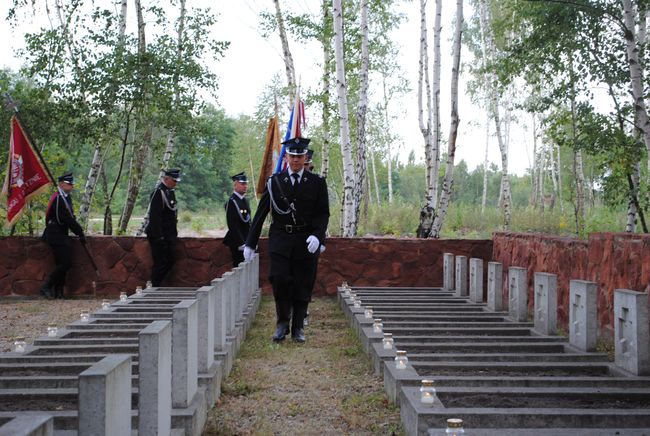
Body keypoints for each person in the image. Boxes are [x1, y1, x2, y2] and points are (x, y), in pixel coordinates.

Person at [244, 137, 329, 343]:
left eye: (300, 156)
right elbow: (261, 213)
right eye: (292, 156)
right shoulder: (274, 182)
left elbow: (322, 214)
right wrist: (250, 242)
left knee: (303, 282)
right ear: (287, 157)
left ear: (305, 157)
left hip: (305, 240)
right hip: (280, 238)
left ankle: (298, 327)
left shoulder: (317, 183)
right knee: (280, 279)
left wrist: (318, 237)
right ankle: (282, 322)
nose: (296, 160)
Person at [40, 173, 86, 299]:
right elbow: (65, 219)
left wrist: (78, 230)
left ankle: (59, 290)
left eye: (71, 184)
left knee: (61, 262)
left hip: (61, 233)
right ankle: (46, 286)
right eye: (68, 183)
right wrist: (79, 232)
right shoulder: (58, 198)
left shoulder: (66, 198)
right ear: (60, 184)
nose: (71, 185)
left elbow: (70, 216)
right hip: (55, 233)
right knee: (66, 263)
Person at [145, 169, 180, 287]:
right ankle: (153, 285)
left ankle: (155, 284)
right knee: (160, 262)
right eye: (174, 180)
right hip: (159, 235)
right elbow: (155, 216)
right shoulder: (159, 192)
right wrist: (159, 236)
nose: (176, 183)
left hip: (168, 234)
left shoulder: (170, 192)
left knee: (169, 260)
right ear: (166, 179)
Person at [223, 172, 251, 267]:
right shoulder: (232, 202)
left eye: (246, 183)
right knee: (239, 267)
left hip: (246, 241)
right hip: (237, 242)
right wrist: (241, 243)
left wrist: (250, 240)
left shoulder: (245, 200)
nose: (245, 186)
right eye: (242, 184)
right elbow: (232, 225)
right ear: (235, 185)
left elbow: (248, 222)